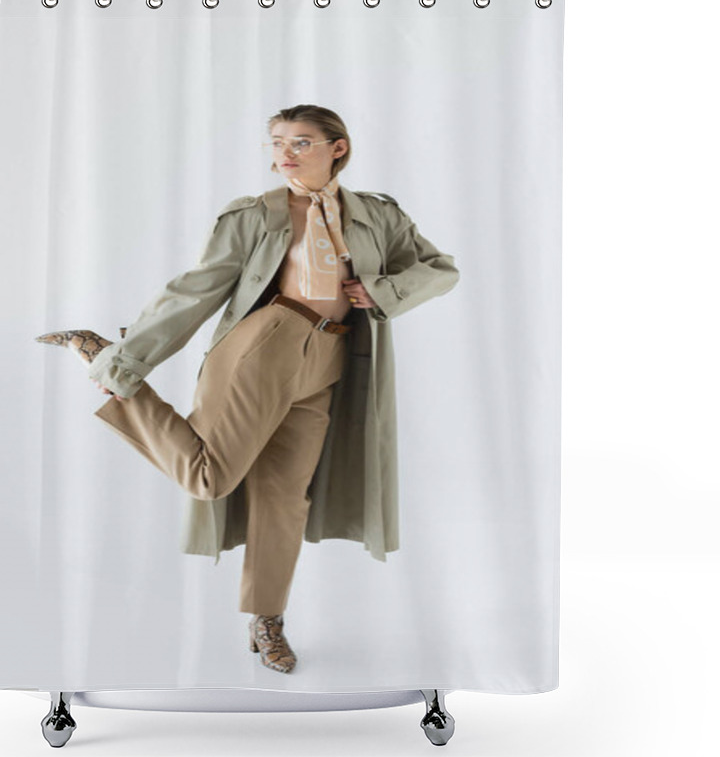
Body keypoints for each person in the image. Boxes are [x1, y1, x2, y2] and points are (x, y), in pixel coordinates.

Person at [36, 104, 460, 674]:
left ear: (338, 147)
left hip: (333, 356)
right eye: (278, 142)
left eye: (301, 142)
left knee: (285, 500)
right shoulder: (256, 215)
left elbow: (440, 269)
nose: (284, 153)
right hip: (266, 345)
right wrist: (127, 359)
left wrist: (383, 290)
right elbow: (195, 291)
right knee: (208, 477)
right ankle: (100, 357)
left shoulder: (377, 215)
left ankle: (267, 621)